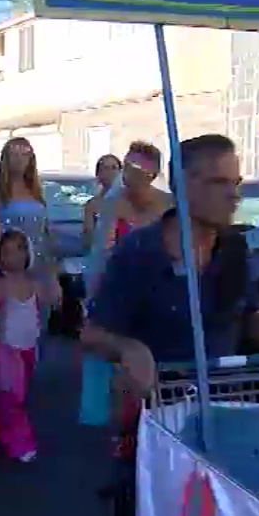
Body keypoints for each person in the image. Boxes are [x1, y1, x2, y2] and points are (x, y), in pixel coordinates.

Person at [80, 133, 259, 516]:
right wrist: (130, 347)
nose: (235, 194)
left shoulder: (234, 248)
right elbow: (92, 333)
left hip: (223, 416)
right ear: (186, 184)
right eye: (222, 182)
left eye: (236, 182)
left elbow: (248, 318)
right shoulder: (138, 252)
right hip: (152, 421)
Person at [79, 142, 172, 426]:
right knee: (120, 371)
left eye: (136, 167)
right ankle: (124, 437)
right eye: (126, 165)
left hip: (162, 297)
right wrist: (92, 300)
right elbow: (101, 254)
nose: (128, 173)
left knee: (158, 371)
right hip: (121, 296)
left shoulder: (170, 205)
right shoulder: (113, 203)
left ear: (152, 172)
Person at [0, 230, 45, 463]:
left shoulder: (34, 283)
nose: (13, 257)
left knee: (15, 395)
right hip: (7, 349)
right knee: (14, 397)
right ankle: (21, 443)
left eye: (18, 250)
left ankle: (2, 431)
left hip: (29, 347)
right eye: (7, 252)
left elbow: (45, 308)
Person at [0, 137, 62, 320]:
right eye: (14, 155)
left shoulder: (37, 191)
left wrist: (53, 278)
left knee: (38, 328)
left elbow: (47, 236)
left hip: (40, 268)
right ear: (5, 159)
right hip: (10, 270)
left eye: (25, 155)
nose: (20, 159)